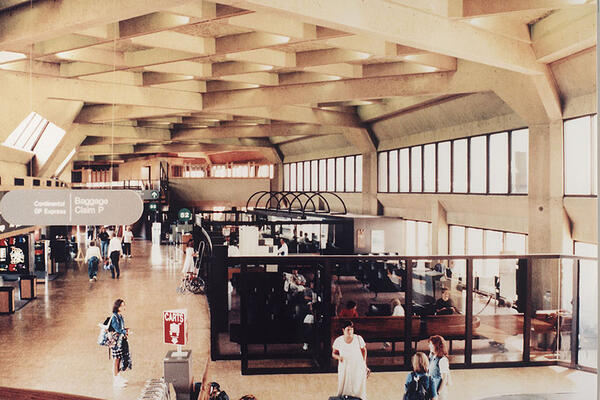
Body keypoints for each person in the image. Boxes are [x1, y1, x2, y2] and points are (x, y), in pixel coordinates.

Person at [332, 320, 370, 400]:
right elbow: (334, 354)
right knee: (343, 386)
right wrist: (339, 357)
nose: (350, 331)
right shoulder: (339, 340)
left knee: (358, 386)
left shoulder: (358, 339)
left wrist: (364, 364)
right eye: (348, 330)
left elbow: (364, 350)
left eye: (351, 329)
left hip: (357, 366)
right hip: (345, 367)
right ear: (343, 330)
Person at [110, 299, 132, 387]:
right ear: (117, 307)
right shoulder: (114, 317)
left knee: (119, 359)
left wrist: (125, 331)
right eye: (121, 306)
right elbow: (117, 329)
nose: (123, 307)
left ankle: (118, 376)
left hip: (120, 341)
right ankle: (115, 379)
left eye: (124, 305)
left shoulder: (120, 316)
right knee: (116, 360)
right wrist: (125, 332)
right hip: (115, 343)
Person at [428, 335, 451, 400]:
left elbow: (444, 379)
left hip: (439, 392)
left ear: (436, 345)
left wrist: (438, 393)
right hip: (433, 390)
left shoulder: (442, 360)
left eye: (431, 344)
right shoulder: (432, 357)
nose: (429, 346)